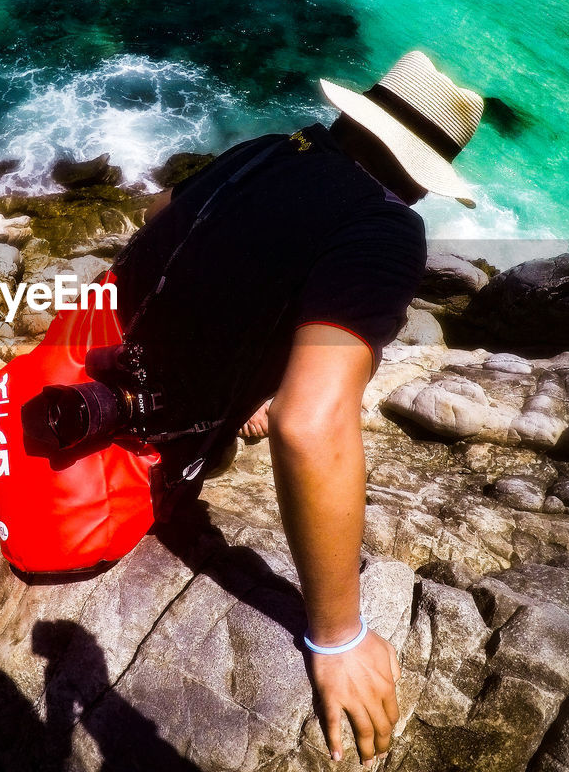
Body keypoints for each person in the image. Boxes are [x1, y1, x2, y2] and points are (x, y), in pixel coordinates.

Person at [111, 51, 484, 766]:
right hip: (155, 440)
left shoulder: (268, 150)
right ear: (425, 175)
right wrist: (338, 635)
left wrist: (246, 368)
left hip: (107, 360)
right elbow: (310, 425)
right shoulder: (385, 227)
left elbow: (163, 216)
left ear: (354, 114)